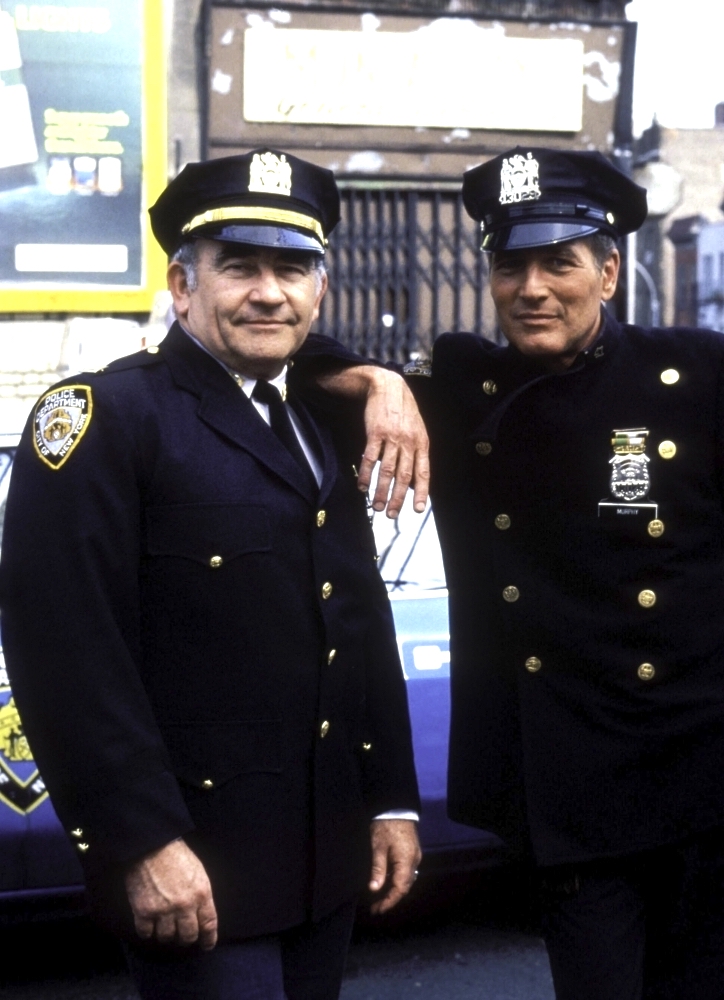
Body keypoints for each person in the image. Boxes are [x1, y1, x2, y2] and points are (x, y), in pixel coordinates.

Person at [0, 148, 423, 1000]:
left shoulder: (318, 419)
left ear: (320, 291)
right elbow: (65, 654)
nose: (269, 292)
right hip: (194, 865)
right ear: (182, 286)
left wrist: (390, 801)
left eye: (292, 269)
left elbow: (355, 618)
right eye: (239, 267)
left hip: (323, 858)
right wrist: (140, 843)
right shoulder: (106, 418)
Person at [307, 147, 724, 999]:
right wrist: (379, 380)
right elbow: (291, 368)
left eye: (559, 263)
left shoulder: (696, 374)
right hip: (576, 793)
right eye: (510, 266)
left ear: (608, 273)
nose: (532, 288)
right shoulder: (468, 389)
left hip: (708, 780)